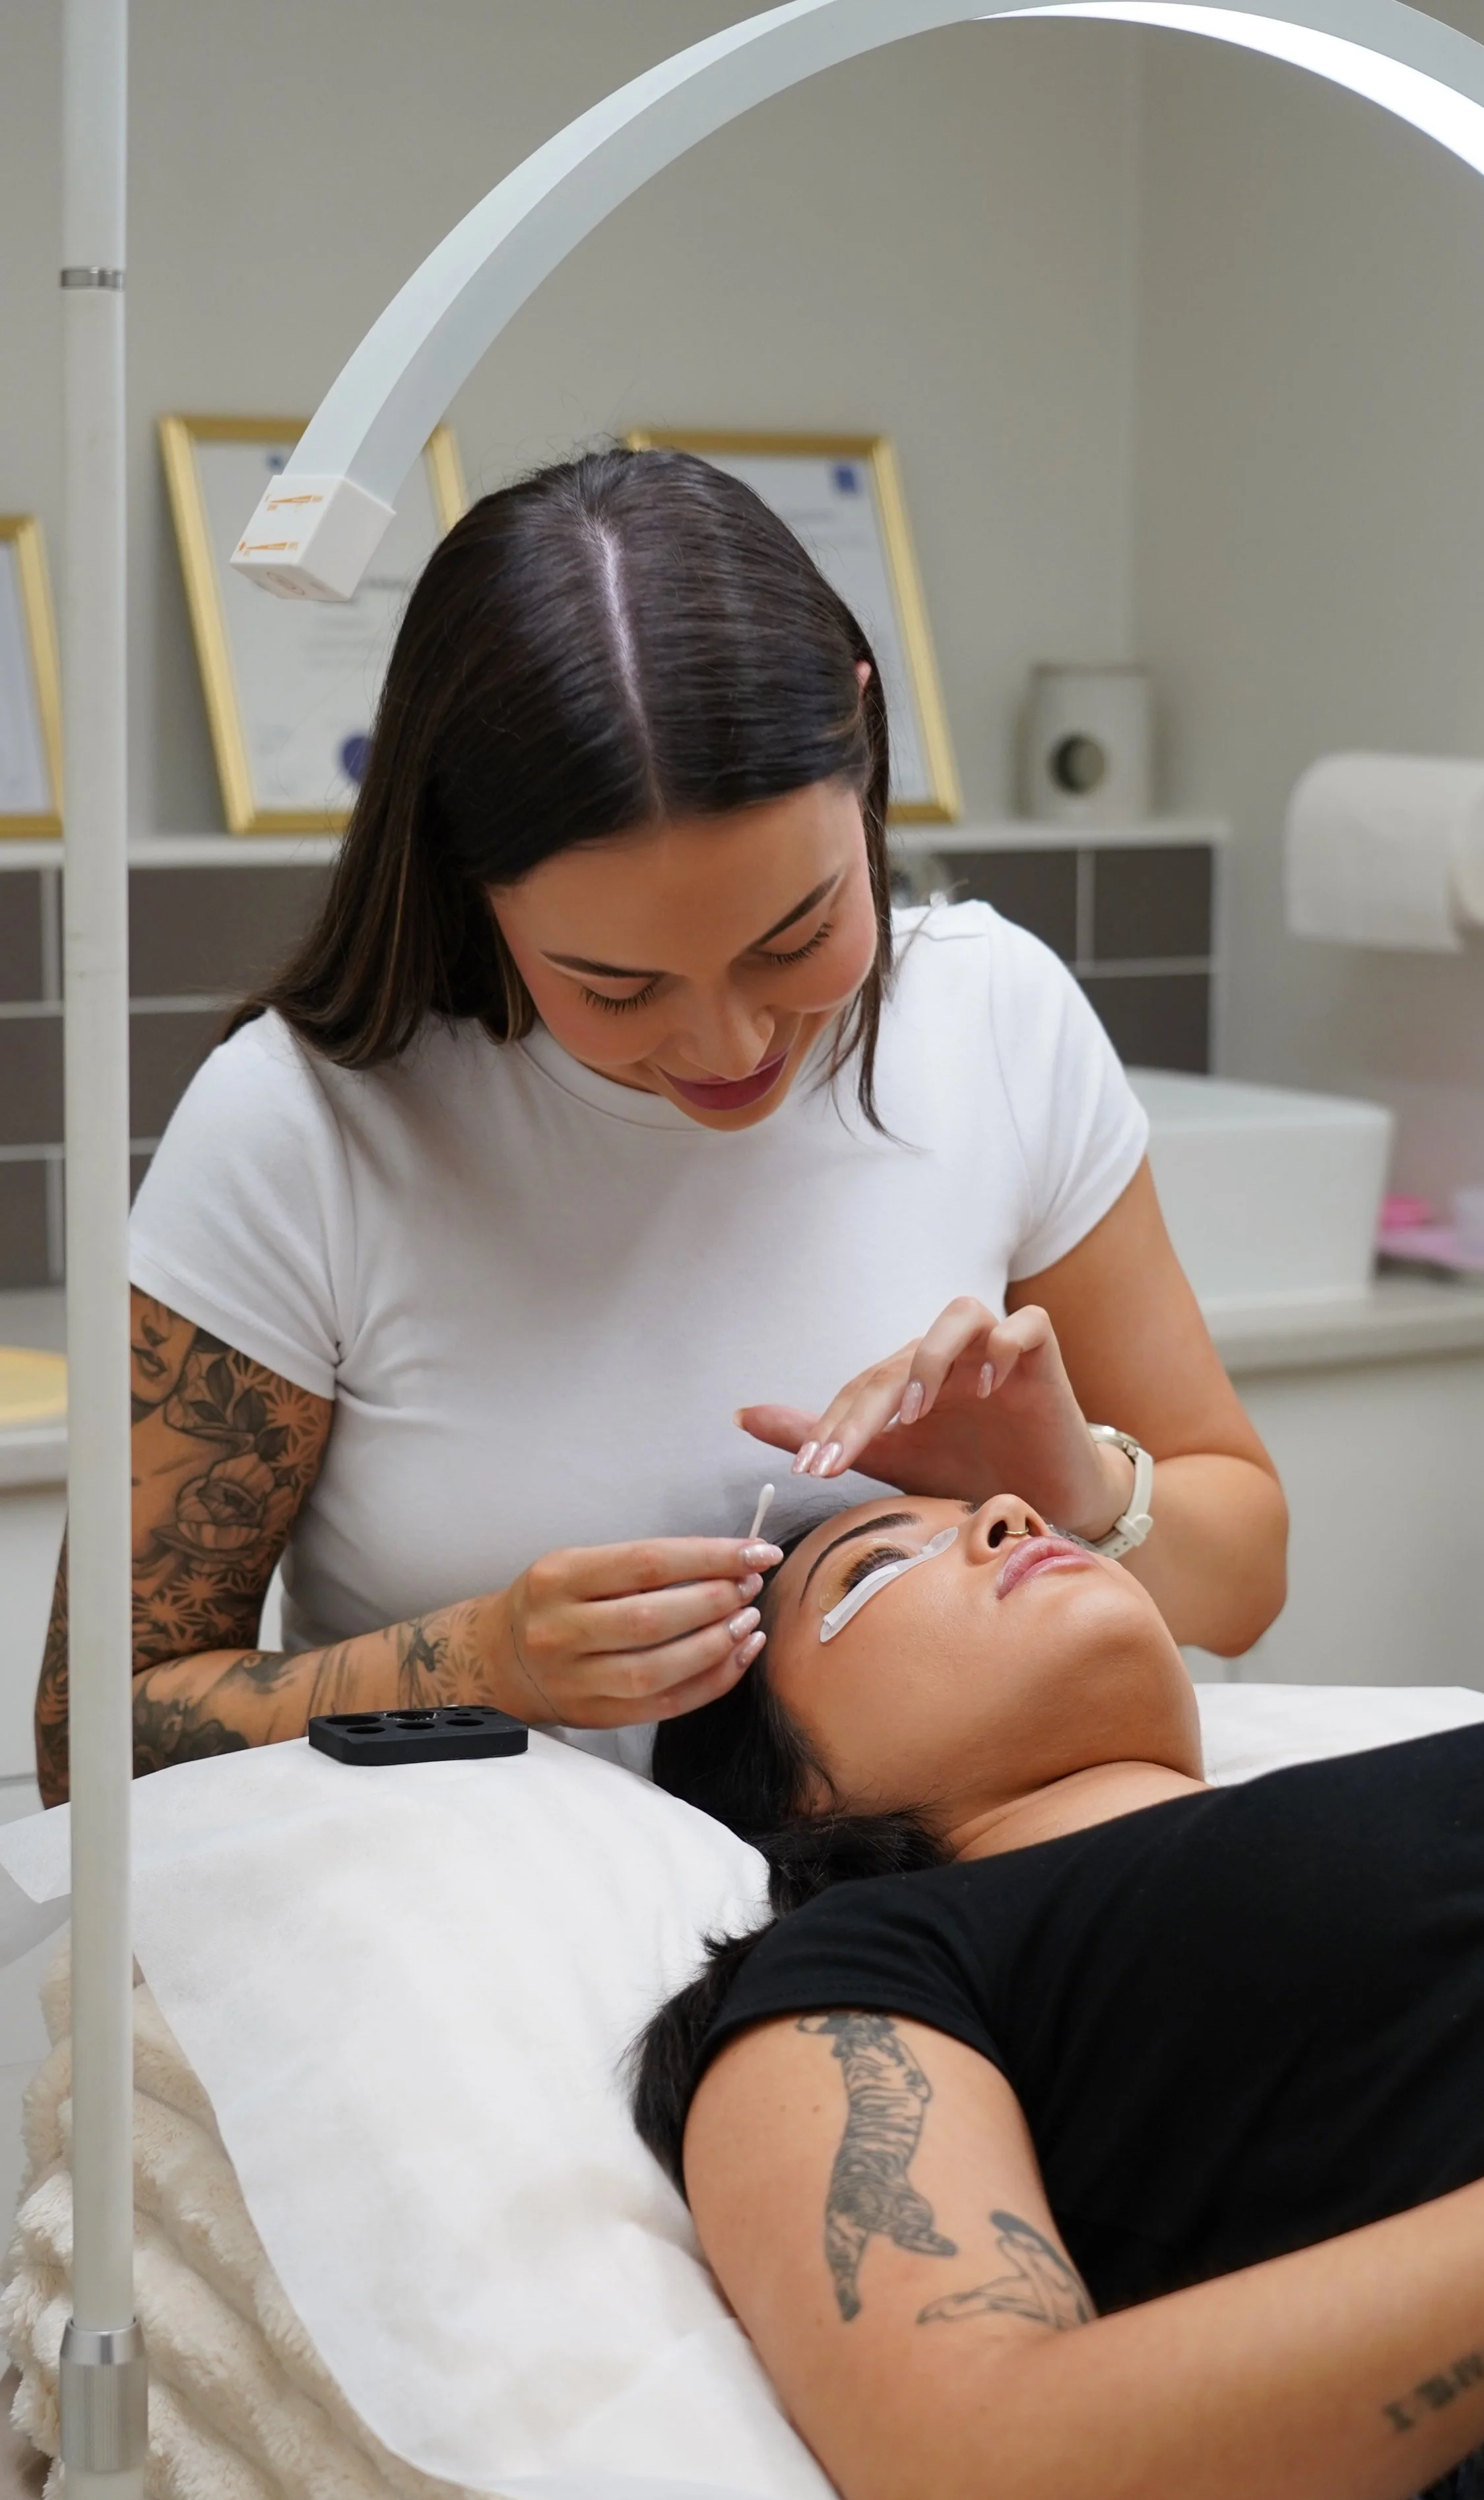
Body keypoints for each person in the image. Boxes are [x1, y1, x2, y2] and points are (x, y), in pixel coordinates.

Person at [33, 446, 1283, 1806]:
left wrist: (1081, 1490)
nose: (728, 1045)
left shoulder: (993, 1018)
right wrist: (483, 1657)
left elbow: (1244, 1578)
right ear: (472, 877)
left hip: (936, 1925)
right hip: (481, 1953)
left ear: (862, 744)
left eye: (796, 935)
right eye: (615, 987)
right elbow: (89, 1739)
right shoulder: (308, 1128)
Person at [633, 1488, 1484, 2500]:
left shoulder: (1470, 1764)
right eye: (873, 1568)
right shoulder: (878, 1961)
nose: (1004, 1512)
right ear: (799, 1786)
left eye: (994, 1501)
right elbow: (993, 2494)